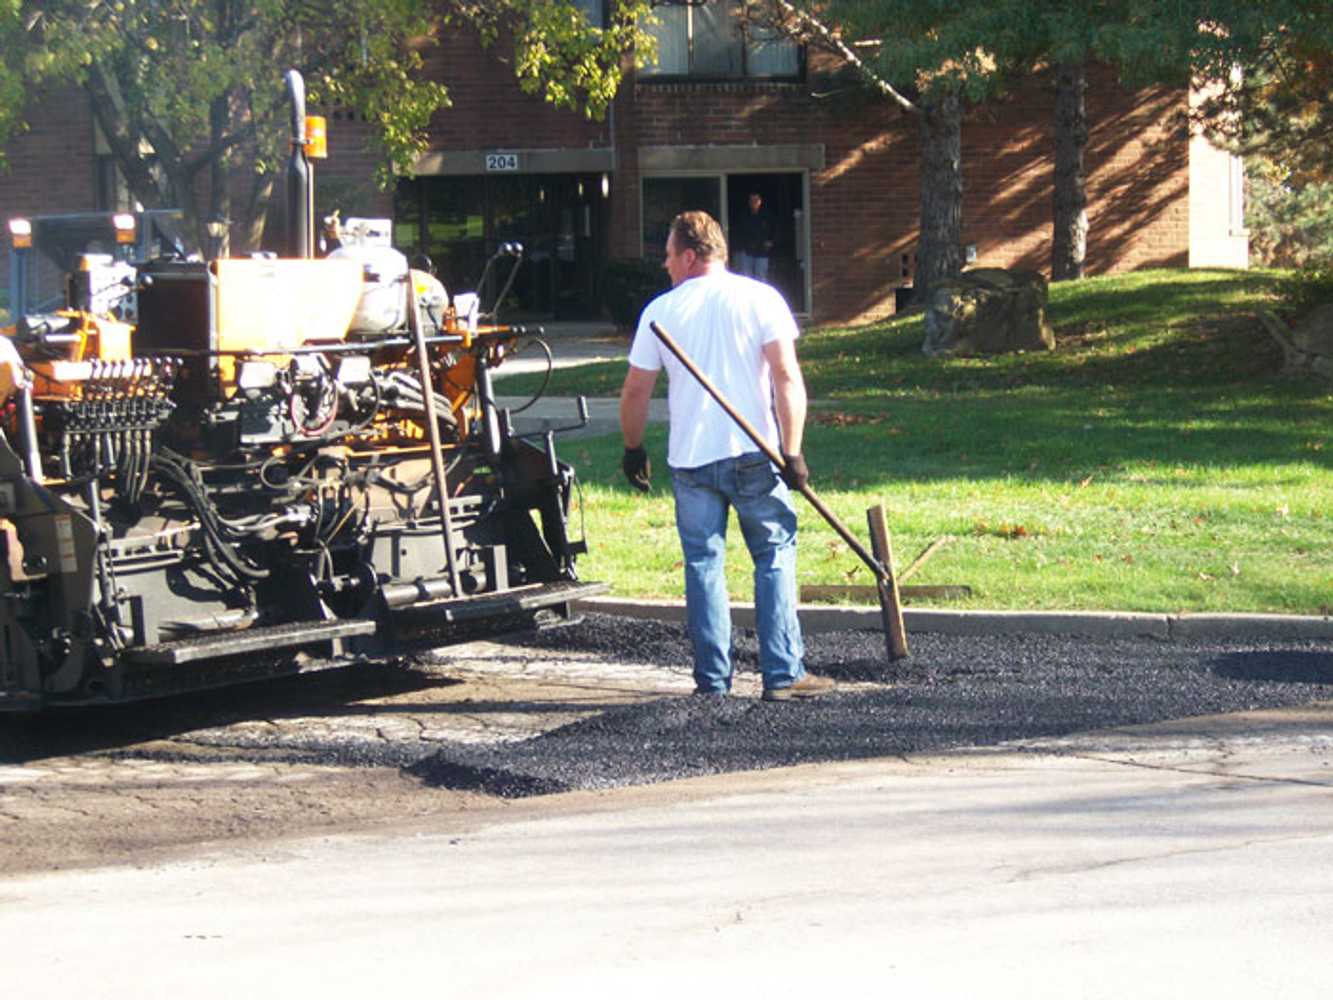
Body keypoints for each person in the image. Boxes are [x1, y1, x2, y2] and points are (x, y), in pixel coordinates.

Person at [618, 210, 833, 702]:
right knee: (774, 555)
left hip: (693, 461)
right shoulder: (761, 299)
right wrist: (792, 449)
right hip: (755, 454)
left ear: (691, 255)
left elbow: (635, 392)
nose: (666, 266)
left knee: (703, 565)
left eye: (670, 256)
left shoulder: (661, 312)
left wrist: (633, 449)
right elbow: (786, 377)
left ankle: (713, 683)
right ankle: (782, 675)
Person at [731, 192, 774, 283]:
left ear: (760, 202)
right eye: (752, 200)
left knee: (761, 278)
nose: (754, 202)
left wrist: (770, 241)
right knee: (746, 279)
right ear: (749, 202)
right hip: (746, 250)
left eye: (756, 200)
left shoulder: (767, 215)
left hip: (762, 251)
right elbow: (738, 231)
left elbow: (773, 230)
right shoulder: (743, 215)